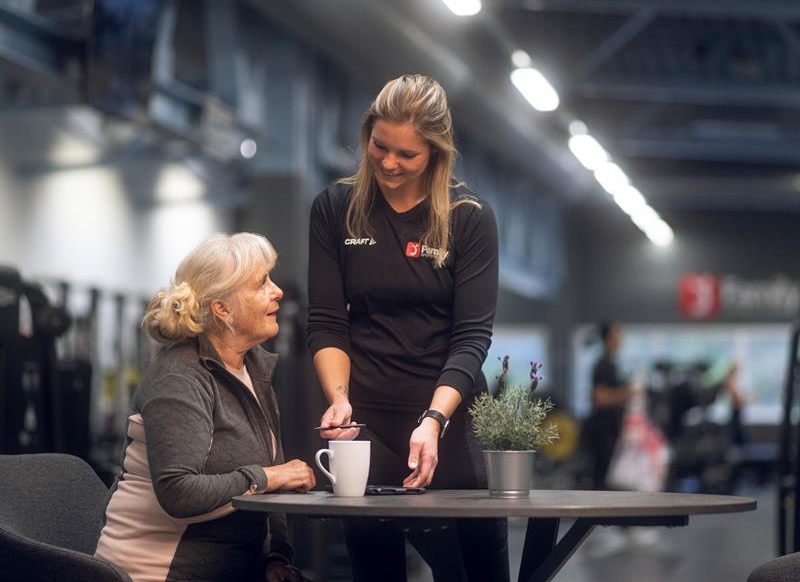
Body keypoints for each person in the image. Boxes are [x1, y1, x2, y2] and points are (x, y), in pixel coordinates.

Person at [307, 74, 509, 582]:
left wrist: (434, 420)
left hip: (447, 420)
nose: (389, 163)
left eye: (407, 154)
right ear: (367, 134)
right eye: (380, 146)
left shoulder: (468, 217)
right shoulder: (335, 207)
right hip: (366, 422)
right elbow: (327, 322)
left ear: (436, 153)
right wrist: (338, 400)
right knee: (375, 571)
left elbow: (472, 338)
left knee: (475, 573)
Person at [95, 233, 315, 582]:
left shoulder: (253, 370)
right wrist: (269, 477)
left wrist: (275, 557)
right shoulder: (179, 376)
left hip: (234, 568)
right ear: (222, 309)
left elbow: (271, 486)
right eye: (261, 283)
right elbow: (179, 492)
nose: (277, 291)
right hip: (158, 571)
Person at [586, 321, 634, 490]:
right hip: (603, 431)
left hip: (612, 429)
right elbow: (599, 398)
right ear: (607, 339)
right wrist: (625, 394)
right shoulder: (602, 365)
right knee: (601, 477)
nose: (620, 339)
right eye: (616, 335)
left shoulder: (613, 364)